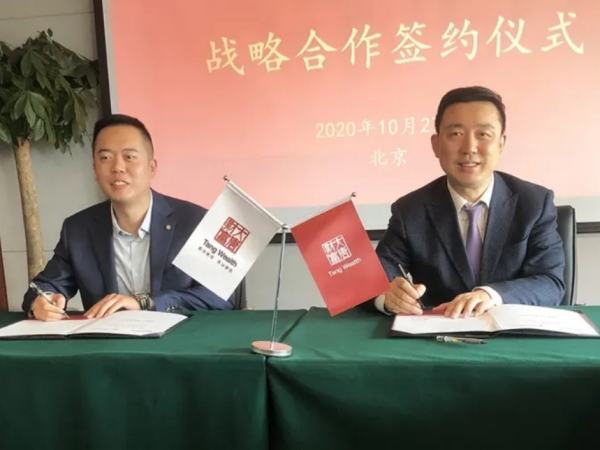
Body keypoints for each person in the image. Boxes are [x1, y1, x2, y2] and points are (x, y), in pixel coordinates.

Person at [375, 86, 565, 318]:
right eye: (456, 134)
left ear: (501, 143)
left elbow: (550, 282)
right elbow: (379, 275)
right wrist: (389, 295)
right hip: (438, 332)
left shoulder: (534, 203)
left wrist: (490, 295)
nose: (469, 148)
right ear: (436, 145)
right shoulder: (409, 210)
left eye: (483, 134)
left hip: (510, 333)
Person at [23, 114, 233, 320]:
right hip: (110, 341)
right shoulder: (79, 228)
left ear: (152, 167)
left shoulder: (195, 222)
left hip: (182, 340)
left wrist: (144, 302)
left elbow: (219, 298)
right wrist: (41, 301)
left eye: (129, 157)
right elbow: (44, 286)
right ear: (95, 170)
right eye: (105, 158)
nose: (117, 168)